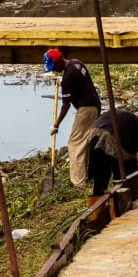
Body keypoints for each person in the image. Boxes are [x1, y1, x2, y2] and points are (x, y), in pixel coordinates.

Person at [44, 48, 101, 187]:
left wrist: (56, 124)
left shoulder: (68, 77)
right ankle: (87, 175)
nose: (54, 70)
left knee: (75, 143)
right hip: (94, 106)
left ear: (59, 60)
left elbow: (66, 105)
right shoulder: (76, 63)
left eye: (54, 66)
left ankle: (78, 182)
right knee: (85, 141)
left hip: (86, 109)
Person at [86, 109, 138, 204]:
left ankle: (97, 204)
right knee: (127, 171)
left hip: (94, 132)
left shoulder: (131, 121)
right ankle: (125, 199)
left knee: (101, 171)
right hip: (113, 133)